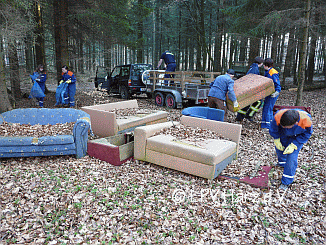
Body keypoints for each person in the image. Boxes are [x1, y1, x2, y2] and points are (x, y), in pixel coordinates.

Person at [269, 109, 313, 190]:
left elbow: (307, 134)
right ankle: (282, 164)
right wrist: (276, 139)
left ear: (295, 123)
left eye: (286, 126)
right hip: (283, 133)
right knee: (280, 149)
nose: (284, 127)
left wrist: (294, 144)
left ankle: (286, 181)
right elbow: (273, 128)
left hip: (297, 136)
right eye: (283, 125)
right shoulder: (278, 116)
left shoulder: (306, 120)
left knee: (292, 157)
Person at [236, 56, 264, 121]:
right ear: (261, 63)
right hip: (251, 90)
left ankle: (240, 117)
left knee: (246, 103)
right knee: (259, 102)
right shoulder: (255, 69)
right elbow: (252, 80)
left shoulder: (252, 67)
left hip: (247, 89)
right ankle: (249, 115)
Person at [261, 58, 281, 129]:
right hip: (269, 93)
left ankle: (268, 126)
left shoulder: (273, 72)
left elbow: (277, 84)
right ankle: (265, 124)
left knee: (268, 108)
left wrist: (276, 92)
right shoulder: (267, 71)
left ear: (266, 65)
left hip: (273, 93)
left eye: (264, 65)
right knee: (266, 108)